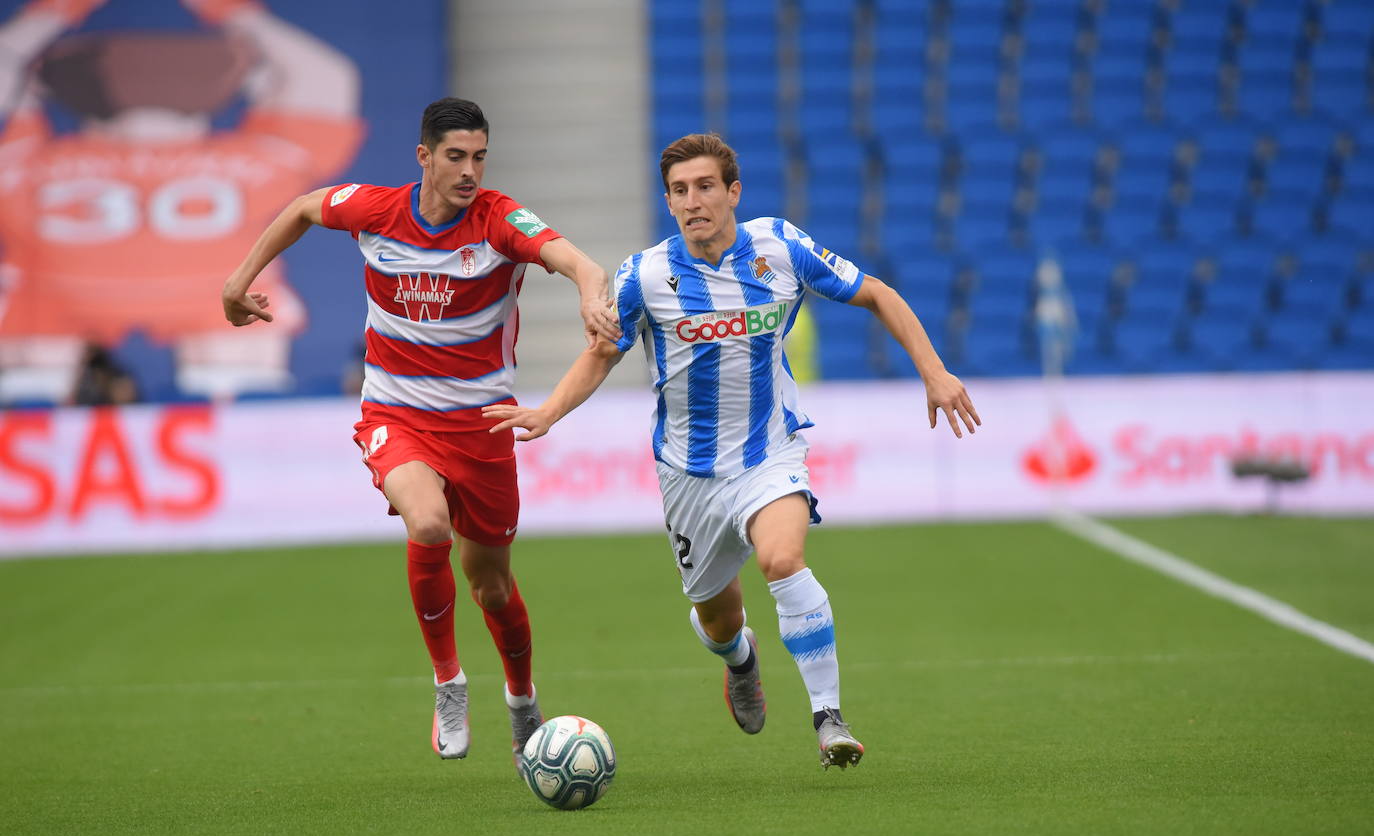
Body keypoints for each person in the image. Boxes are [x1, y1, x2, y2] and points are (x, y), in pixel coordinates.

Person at [484, 133, 980, 769]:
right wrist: (548, 412)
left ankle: (829, 718)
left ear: (733, 192)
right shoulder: (647, 275)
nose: (694, 201)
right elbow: (603, 353)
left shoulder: (781, 246)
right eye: (680, 191)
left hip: (769, 452)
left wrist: (934, 372)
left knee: (782, 558)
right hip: (688, 473)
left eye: (706, 187)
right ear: (669, 201)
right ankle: (739, 659)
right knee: (718, 618)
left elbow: (877, 293)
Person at [221, 97, 618, 762]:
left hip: (482, 424)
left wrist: (588, 292)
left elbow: (583, 262)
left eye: (479, 157)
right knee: (427, 522)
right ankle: (448, 681)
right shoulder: (375, 211)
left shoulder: (497, 221)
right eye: (456, 157)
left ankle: (521, 695)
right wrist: (238, 282)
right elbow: (298, 209)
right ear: (424, 157)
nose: (469, 171)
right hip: (396, 414)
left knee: (491, 582)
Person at [0, 0, 364, 403]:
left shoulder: (27, 159)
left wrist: (51, 14)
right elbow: (323, 78)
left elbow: (326, 78)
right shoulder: (256, 158)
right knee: (30, 396)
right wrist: (237, 16)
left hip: (197, 303)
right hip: (74, 302)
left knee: (33, 386)